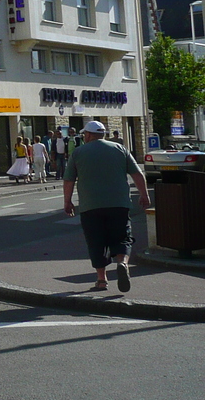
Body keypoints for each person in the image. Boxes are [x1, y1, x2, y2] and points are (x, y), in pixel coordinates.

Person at [64, 120, 151, 293]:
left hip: (90, 205)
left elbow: (69, 180)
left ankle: (101, 280)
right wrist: (144, 194)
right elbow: (137, 173)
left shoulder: (78, 152)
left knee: (96, 242)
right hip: (119, 204)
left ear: (88, 135)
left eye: (84, 135)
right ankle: (122, 263)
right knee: (122, 237)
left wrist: (67, 201)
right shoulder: (120, 149)